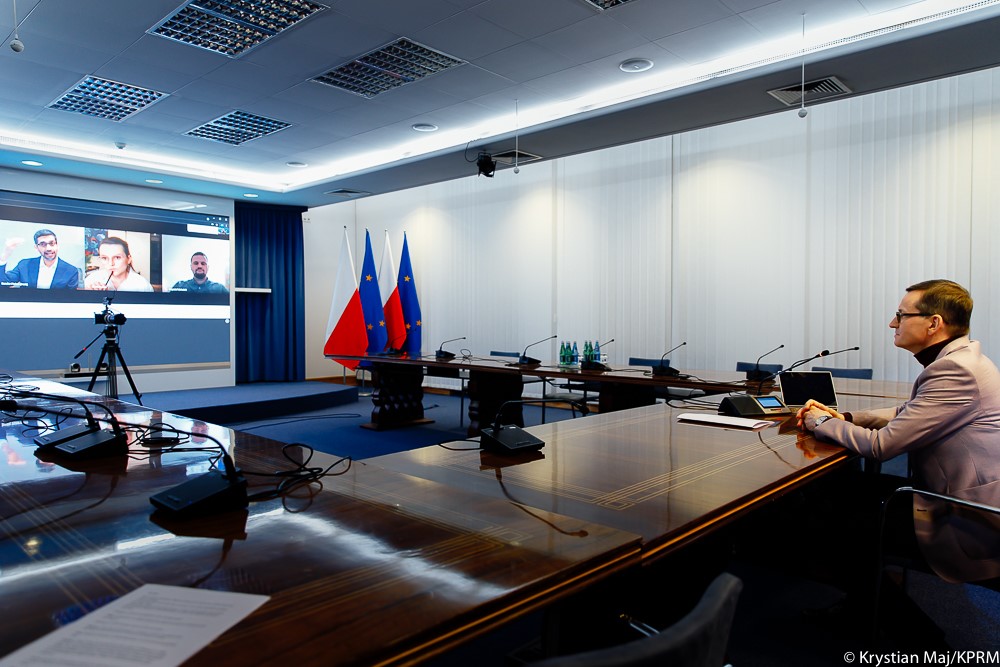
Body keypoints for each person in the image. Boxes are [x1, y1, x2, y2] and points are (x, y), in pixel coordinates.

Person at [798, 279, 1000, 583]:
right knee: (842, 489)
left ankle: (877, 604)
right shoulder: (961, 360)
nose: (893, 323)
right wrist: (846, 417)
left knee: (827, 510)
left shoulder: (955, 370)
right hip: (960, 502)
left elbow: (881, 447)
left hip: (964, 521)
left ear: (934, 323)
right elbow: (905, 412)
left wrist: (822, 422)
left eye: (901, 315)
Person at [0, 229, 81, 289]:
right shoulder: (24, 265)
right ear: (36, 247)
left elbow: (71, 299)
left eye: (52, 243)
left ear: (57, 245)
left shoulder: (71, 271)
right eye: (43, 244)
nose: (48, 248)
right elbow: (3, 284)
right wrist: (4, 256)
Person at [84, 236, 153, 292]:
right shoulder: (91, 280)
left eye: (117, 257)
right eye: (104, 258)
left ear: (128, 259)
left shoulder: (143, 286)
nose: (111, 263)